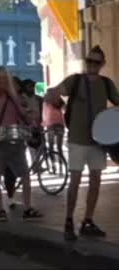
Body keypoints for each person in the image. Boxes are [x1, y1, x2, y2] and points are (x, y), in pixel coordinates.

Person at [46, 46, 119, 241]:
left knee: (96, 182)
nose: (92, 65)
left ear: (102, 64)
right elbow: (53, 93)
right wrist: (54, 95)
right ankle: (69, 221)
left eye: (96, 62)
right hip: (77, 140)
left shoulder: (106, 84)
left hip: (98, 142)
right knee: (75, 182)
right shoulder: (75, 80)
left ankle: (88, 221)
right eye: (89, 61)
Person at [0, 67, 42, 222]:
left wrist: (29, 116)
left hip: (16, 143)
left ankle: (27, 208)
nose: (2, 81)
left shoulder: (15, 99)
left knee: (25, 176)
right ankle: (1, 210)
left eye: (4, 78)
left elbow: (25, 120)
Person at [42, 87, 65, 160]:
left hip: (50, 124)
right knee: (59, 146)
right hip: (59, 123)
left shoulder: (46, 100)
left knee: (51, 145)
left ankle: (53, 163)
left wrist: (44, 123)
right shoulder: (59, 100)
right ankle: (61, 161)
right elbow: (65, 108)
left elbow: (44, 113)